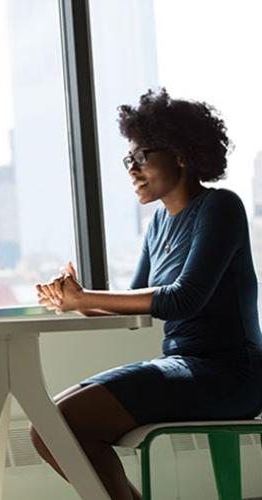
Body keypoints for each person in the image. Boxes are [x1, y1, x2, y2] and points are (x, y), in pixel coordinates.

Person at [32, 89, 262, 499]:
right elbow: (134, 309)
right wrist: (71, 300)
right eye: (128, 160)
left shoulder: (220, 207)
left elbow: (181, 300)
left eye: (141, 157)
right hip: (184, 365)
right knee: (46, 426)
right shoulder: (157, 223)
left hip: (231, 373)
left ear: (181, 154)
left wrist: (85, 298)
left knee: (61, 425)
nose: (131, 169)